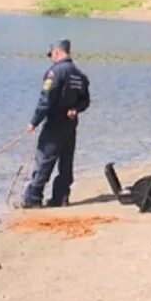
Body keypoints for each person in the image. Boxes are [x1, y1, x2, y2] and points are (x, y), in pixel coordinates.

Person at [22, 39, 91, 208]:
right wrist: (75, 109)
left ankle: (33, 199)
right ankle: (61, 198)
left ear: (57, 53)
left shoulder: (55, 73)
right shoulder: (79, 75)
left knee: (45, 159)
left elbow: (46, 100)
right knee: (66, 162)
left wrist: (33, 122)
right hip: (70, 125)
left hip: (55, 123)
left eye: (51, 55)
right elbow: (86, 101)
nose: (51, 59)